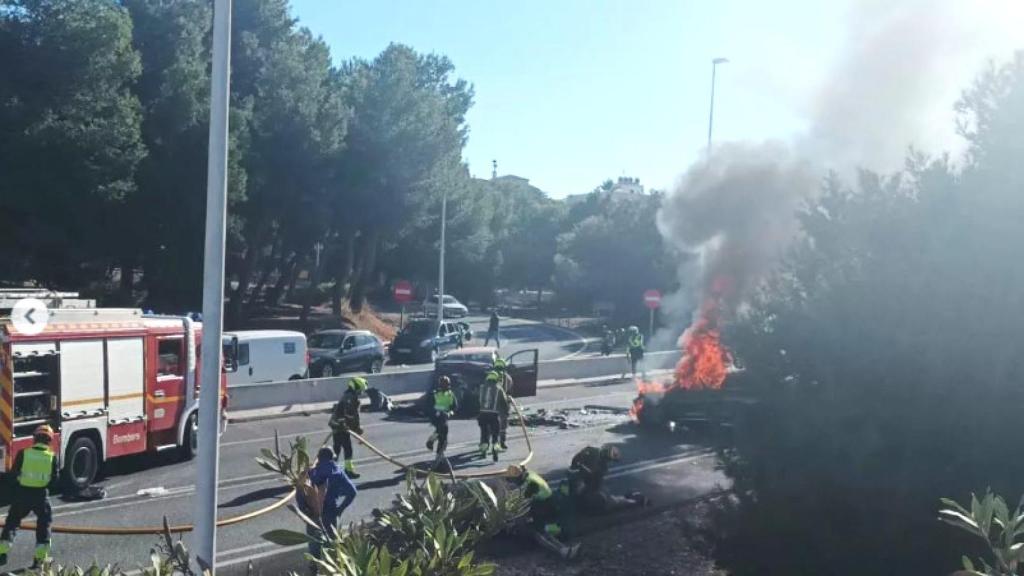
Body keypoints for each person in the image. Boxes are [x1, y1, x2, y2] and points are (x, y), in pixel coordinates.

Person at [0, 425, 58, 569]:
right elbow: (55, 480)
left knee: (12, 524)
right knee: (44, 527)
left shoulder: (23, 453)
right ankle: (39, 560)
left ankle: (2, 554)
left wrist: (19, 486)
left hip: (23, 494)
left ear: (34, 439)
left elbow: (13, 475)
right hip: (41, 496)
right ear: (49, 441)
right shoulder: (52, 457)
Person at [507, 465, 580, 559]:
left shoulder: (530, 484)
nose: (513, 483)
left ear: (518, 478)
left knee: (536, 530)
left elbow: (524, 504)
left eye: (513, 480)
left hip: (545, 507)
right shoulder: (530, 475)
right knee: (533, 526)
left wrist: (514, 519)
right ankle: (563, 549)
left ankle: (562, 551)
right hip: (546, 503)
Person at [307, 447, 357, 558]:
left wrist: (305, 510)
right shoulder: (338, 472)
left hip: (313, 513)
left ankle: (314, 567)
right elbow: (352, 492)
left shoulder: (311, 472)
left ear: (319, 458)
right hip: (330, 512)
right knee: (332, 545)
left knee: (314, 543)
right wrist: (340, 509)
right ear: (332, 458)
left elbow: (301, 493)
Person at [568, 444, 646, 512]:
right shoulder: (598, 466)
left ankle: (629, 499)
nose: (609, 462)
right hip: (585, 494)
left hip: (578, 486)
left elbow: (576, 464)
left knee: (606, 496)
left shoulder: (591, 451)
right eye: (609, 460)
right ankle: (634, 501)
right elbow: (594, 484)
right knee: (607, 501)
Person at [329, 377, 367, 479]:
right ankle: (340, 471)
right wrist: (358, 430)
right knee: (344, 448)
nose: (361, 392)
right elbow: (351, 417)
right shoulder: (350, 398)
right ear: (356, 387)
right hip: (340, 426)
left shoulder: (349, 395)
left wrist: (357, 430)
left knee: (338, 448)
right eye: (360, 390)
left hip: (340, 425)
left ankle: (332, 470)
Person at [426, 376, 458, 463]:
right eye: (444, 384)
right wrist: (434, 413)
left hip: (442, 416)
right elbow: (429, 405)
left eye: (446, 384)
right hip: (438, 416)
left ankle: (433, 442)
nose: (445, 386)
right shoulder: (437, 393)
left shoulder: (448, 394)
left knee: (442, 433)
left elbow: (454, 407)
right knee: (443, 433)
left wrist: (450, 413)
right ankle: (438, 454)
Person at [477, 371, 507, 461]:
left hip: (482, 414)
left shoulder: (482, 388)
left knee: (484, 434)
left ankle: (483, 451)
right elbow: (504, 403)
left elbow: (478, 400)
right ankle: (495, 448)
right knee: (495, 434)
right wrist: (505, 412)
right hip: (493, 415)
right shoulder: (499, 389)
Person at [493, 358, 514, 451]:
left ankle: (493, 442)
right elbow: (509, 391)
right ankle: (502, 442)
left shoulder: (491, 376)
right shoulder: (507, 378)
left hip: (492, 404)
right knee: (503, 424)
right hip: (502, 404)